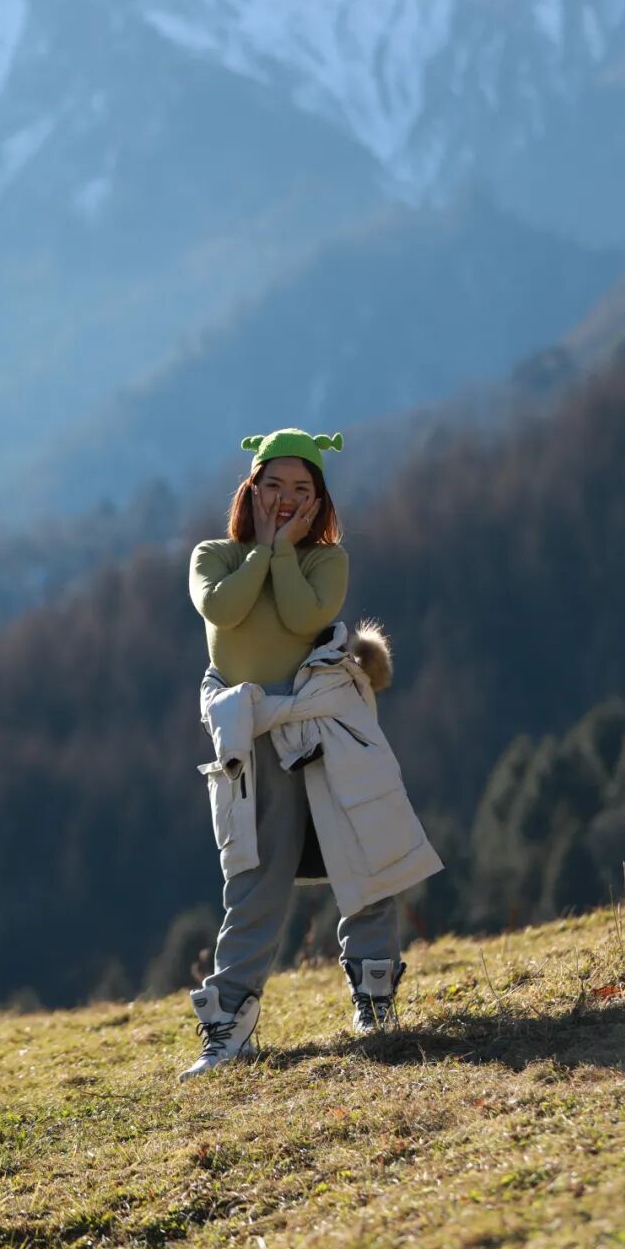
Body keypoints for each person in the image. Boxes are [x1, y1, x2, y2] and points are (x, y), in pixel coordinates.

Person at [181, 427, 441, 1080]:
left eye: (302, 488)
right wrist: (267, 550)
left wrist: (283, 553)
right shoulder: (213, 555)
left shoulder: (328, 561)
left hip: (326, 727)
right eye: (274, 485)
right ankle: (228, 1026)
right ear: (252, 490)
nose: (287, 498)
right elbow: (224, 608)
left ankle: (374, 1003)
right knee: (253, 879)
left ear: (319, 500)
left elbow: (302, 617)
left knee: (364, 856)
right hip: (254, 740)